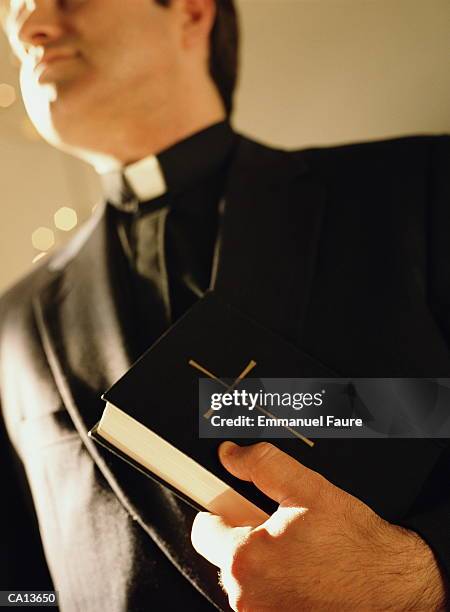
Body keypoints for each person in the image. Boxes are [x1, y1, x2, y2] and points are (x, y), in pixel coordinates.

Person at [0, 0, 448, 610]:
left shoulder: (418, 188)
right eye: (14, 5)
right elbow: (21, 583)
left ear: (191, 12)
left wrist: (424, 575)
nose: (27, 26)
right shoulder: (14, 322)